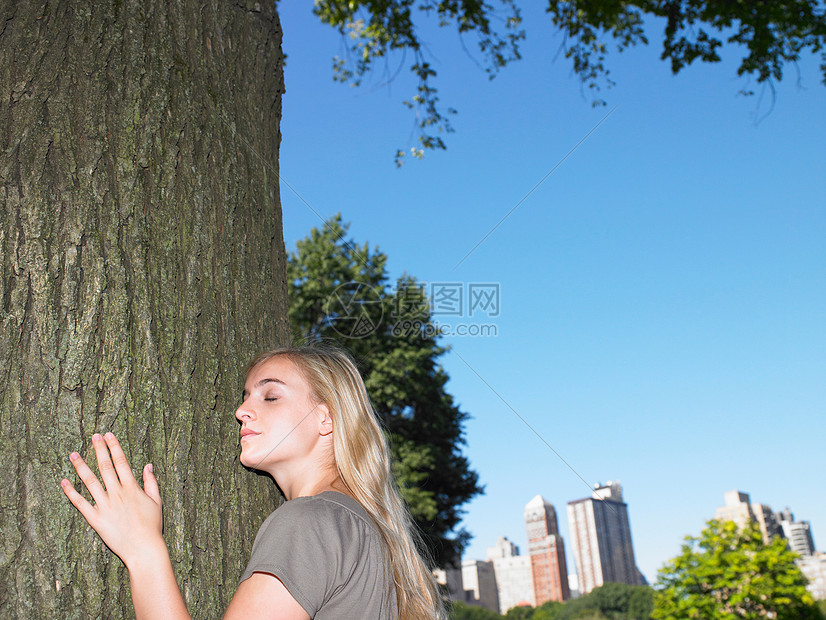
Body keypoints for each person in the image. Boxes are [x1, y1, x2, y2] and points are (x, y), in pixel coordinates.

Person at [61, 345, 446, 619]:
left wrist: (144, 552)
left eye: (271, 395)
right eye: (246, 397)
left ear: (325, 419)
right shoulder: (358, 527)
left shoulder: (311, 522)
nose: (242, 411)